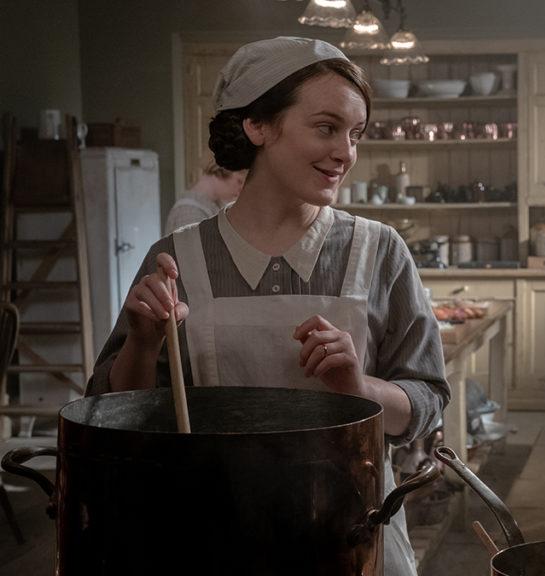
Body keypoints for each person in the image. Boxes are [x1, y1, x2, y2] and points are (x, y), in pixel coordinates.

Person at [86, 36, 448, 576]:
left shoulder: (378, 251)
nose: (346, 152)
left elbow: (428, 400)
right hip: (213, 530)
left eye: (355, 135)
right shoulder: (178, 258)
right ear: (258, 125)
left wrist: (360, 388)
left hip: (353, 535)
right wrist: (142, 342)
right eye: (326, 128)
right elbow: (116, 416)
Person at [163, 159, 246, 234]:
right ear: (221, 171)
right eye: (239, 181)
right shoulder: (190, 213)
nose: (240, 189)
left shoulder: (209, 206)